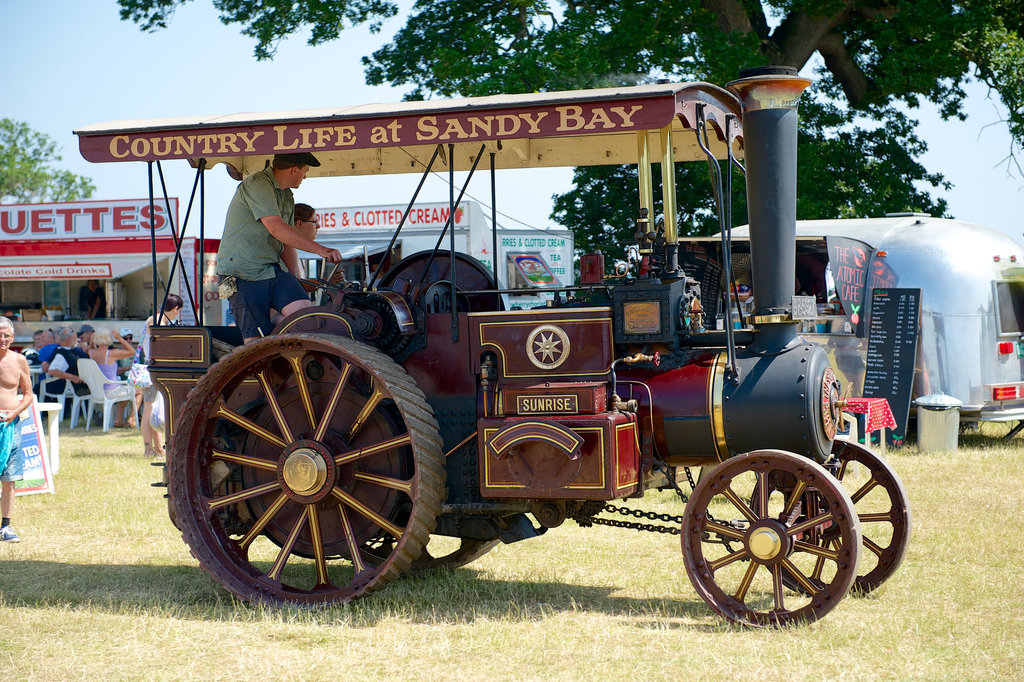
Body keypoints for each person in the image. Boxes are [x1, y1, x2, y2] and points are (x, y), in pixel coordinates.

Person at [216, 152, 341, 342]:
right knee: (255, 342)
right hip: (242, 273)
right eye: (305, 171)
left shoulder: (286, 195)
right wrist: (320, 250)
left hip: (271, 270)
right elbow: (276, 228)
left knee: (305, 317)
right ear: (294, 170)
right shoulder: (257, 183)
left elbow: (285, 241)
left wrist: (295, 282)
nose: (305, 177)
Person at [0, 316, 33, 542]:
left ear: (12, 338)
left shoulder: (19, 360)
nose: (2, 339)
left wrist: (14, 412)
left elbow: (28, 394)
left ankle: (5, 526)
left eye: (5, 335)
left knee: (9, 477)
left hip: (11, 424)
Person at [140, 295, 183, 458]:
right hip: (153, 368)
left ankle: (158, 448)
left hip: (154, 367)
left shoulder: (155, 318)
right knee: (149, 409)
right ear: (175, 309)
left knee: (154, 410)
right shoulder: (156, 320)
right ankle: (148, 449)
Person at [88, 327, 137, 428]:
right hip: (111, 391)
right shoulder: (111, 354)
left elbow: (91, 347)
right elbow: (132, 352)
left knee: (125, 391)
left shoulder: (92, 353)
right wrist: (119, 338)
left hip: (97, 391)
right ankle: (131, 419)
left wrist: (92, 341)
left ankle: (118, 419)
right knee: (138, 390)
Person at [44, 327, 89, 398]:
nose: (77, 341)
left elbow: (49, 369)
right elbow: (52, 371)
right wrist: (73, 377)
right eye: (75, 339)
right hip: (76, 387)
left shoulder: (72, 351)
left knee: (39, 387)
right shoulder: (63, 353)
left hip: (78, 387)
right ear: (68, 339)